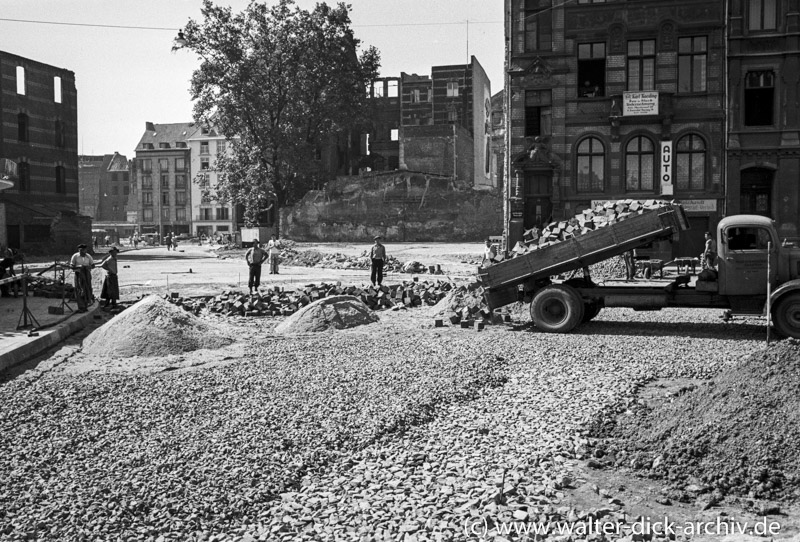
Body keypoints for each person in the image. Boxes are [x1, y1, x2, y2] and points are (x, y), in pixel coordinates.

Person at [69, 243, 94, 312]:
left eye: (84, 250)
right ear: (79, 250)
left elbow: (93, 265)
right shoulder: (75, 256)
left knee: (87, 289)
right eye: (81, 250)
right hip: (78, 275)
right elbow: (71, 266)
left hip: (87, 275)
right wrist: (79, 267)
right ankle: (81, 307)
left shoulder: (88, 256)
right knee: (79, 289)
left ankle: (86, 305)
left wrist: (89, 267)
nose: (82, 251)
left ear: (85, 250)